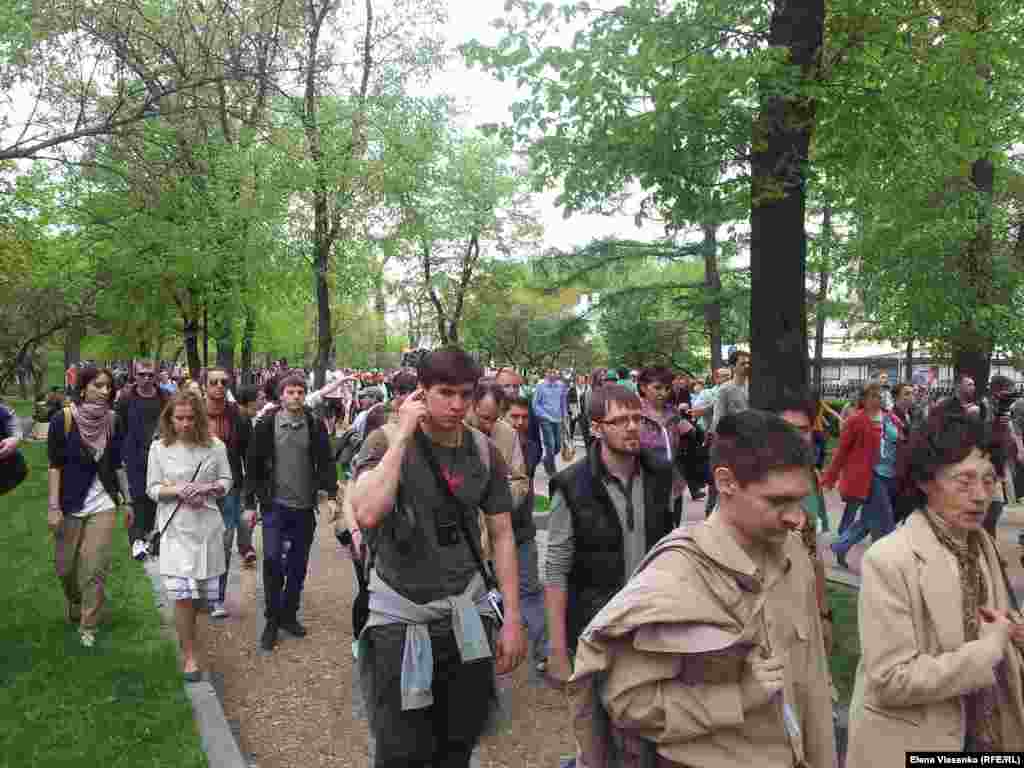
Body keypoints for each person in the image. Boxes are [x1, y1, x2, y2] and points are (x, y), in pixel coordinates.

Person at [569, 410, 836, 768]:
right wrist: (737, 698)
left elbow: (813, 682)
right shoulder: (675, 577)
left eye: (799, 500)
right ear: (725, 483)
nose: (796, 518)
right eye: (777, 501)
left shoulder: (794, 555)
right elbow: (628, 703)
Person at [350, 346, 526, 768]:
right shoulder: (384, 440)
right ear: (421, 391)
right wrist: (402, 436)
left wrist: (513, 619)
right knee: (400, 749)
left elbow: (502, 535)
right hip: (400, 618)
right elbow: (368, 512)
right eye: (445, 393)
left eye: (465, 394)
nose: (457, 405)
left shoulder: (483, 450)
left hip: (466, 614)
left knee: (458, 743)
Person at [846, 406, 1024, 764]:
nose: (980, 495)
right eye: (964, 481)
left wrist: (1013, 633)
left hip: (987, 737)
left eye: (989, 480)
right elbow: (891, 679)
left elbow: (995, 623)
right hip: (916, 744)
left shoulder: (982, 544)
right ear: (926, 481)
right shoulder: (890, 558)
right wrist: (988, 650)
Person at [543, 384, 675, 684]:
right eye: (620, 421)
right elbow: (556, 569)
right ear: (596, 428)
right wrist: (557, 649)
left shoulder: (661, 474)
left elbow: (669, 546)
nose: (632, 427)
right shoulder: (571, 485)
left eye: (637, 418)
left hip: (650, 621)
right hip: (596, 626)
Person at [244, 372, 337, 651]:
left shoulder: (314, 424)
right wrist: (249, 504)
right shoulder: (266, 424)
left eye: (300, 392)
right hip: (275, 505)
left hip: (304, 507)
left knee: (298, 564)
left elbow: (326, 460)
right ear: (281, 396)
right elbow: (253, 464)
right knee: (272, 560)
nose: (296, 397)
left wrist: (331, 494)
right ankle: (272, 620)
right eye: (290, 392)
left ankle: (289, 614)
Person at [147, 391, 233, 681]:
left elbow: (226, 480)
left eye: (190, 418)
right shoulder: (159, 449)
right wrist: (179, 490)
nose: (185, 424)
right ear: (169, 419)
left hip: (206, 528)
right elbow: (152, 488)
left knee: (201, 598)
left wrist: (207, 489)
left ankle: (192, 638)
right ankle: (190, 656)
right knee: (182, 595)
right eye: (179, 418)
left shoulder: (215, 446)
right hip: (175, 529)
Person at [467, 383, 546, 672]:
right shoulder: (453, 432)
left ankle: (542, 651)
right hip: (466, 540)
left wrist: (495, 499)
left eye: (494, 418)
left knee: (520, 593)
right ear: (471, 407)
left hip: (504, 531)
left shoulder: (507, 435)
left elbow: (519, 481)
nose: (489, 425)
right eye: (483, 417)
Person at [47, 367, 126, 648]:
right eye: (98, 385)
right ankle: (74, 599)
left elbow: (117, 464)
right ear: (83, 388)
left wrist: (127, 500)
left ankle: (88, 625)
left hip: (104, 501)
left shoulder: (113, 420)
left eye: (108, 386)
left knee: (94, 567)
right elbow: (55, 466)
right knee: (65, 567)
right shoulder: (63, 420)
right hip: (70, 502)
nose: (105, 391)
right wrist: (53, 507)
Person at [826, 383, 898, 568]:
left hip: (890, 475)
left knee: (867, 520)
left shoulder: (889, 417)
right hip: (870, 477)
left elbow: (900, 440)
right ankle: (886, 562)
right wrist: (831, 477)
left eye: (880, 395)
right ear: (864, 399)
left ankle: (840, 546)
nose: (878, 399)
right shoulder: (855, 420)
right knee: (886, 521)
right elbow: (841, 451)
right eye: (873, 395)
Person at [204, 367, 253, 617]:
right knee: (199, 543)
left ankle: (217, 598)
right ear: (205, 385)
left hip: (229, 489)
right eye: (214, 382)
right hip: (197, 491)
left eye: (224, 382)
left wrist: (248, 495)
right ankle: (198, 594)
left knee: (223, 543)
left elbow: (249, 456)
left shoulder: (239, 417)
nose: (219, 386)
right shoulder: (193, 413)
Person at [116, 359, 169, 559]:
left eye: (150, 375)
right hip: (134, 455)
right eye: (142, 375)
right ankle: (137, 540)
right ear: (134, 375)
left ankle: (150, 536)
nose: (146, 378)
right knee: (137, 496)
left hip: (159, 454)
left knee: (155, 495)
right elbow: (119, 428)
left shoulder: (165, 397)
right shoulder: (126, 399)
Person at [533, 368, 568, 477]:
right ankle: (552, 470)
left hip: (558, 419)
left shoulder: (561, 385)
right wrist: (543, 415)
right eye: (550, 372)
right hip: (545, 418)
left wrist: (564, 416)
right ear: (546, 373)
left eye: (554, 372)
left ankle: (546, 460)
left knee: (557, 446)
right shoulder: (540, 386)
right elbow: (535, 404)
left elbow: (563, 402)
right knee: (550, 444)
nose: (552, 374)